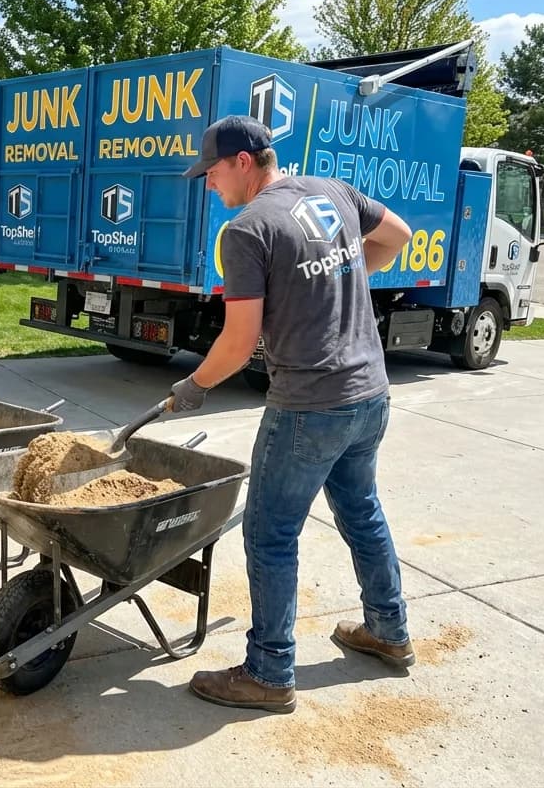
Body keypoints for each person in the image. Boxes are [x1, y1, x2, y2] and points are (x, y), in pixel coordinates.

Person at [169, 115, 415, 714]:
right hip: (369, 394)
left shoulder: (247, 229)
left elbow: (238, 340)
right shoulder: (331, 191)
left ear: (244, 162)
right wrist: (342, 283)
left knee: (270, 532)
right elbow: (400, 235)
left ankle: (269, 671)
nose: (208, 185)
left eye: (213, 171)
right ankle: (389, 631)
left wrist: (194, 386)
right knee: (361, 510)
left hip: (309, 406)